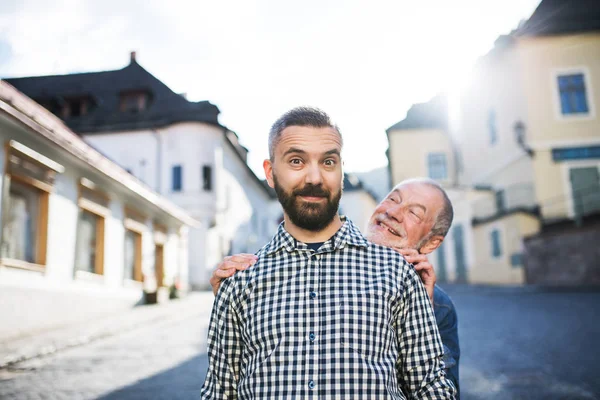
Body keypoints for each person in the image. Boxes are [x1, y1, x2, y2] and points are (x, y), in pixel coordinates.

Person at [200, 107, 456, 399]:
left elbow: (432, 387)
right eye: (296, 161)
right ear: (271, 173)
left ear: (342, 171)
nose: (314, 177)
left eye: (328, 161)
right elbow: (219, 392)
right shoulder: (238, 283)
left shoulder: (398, 275)